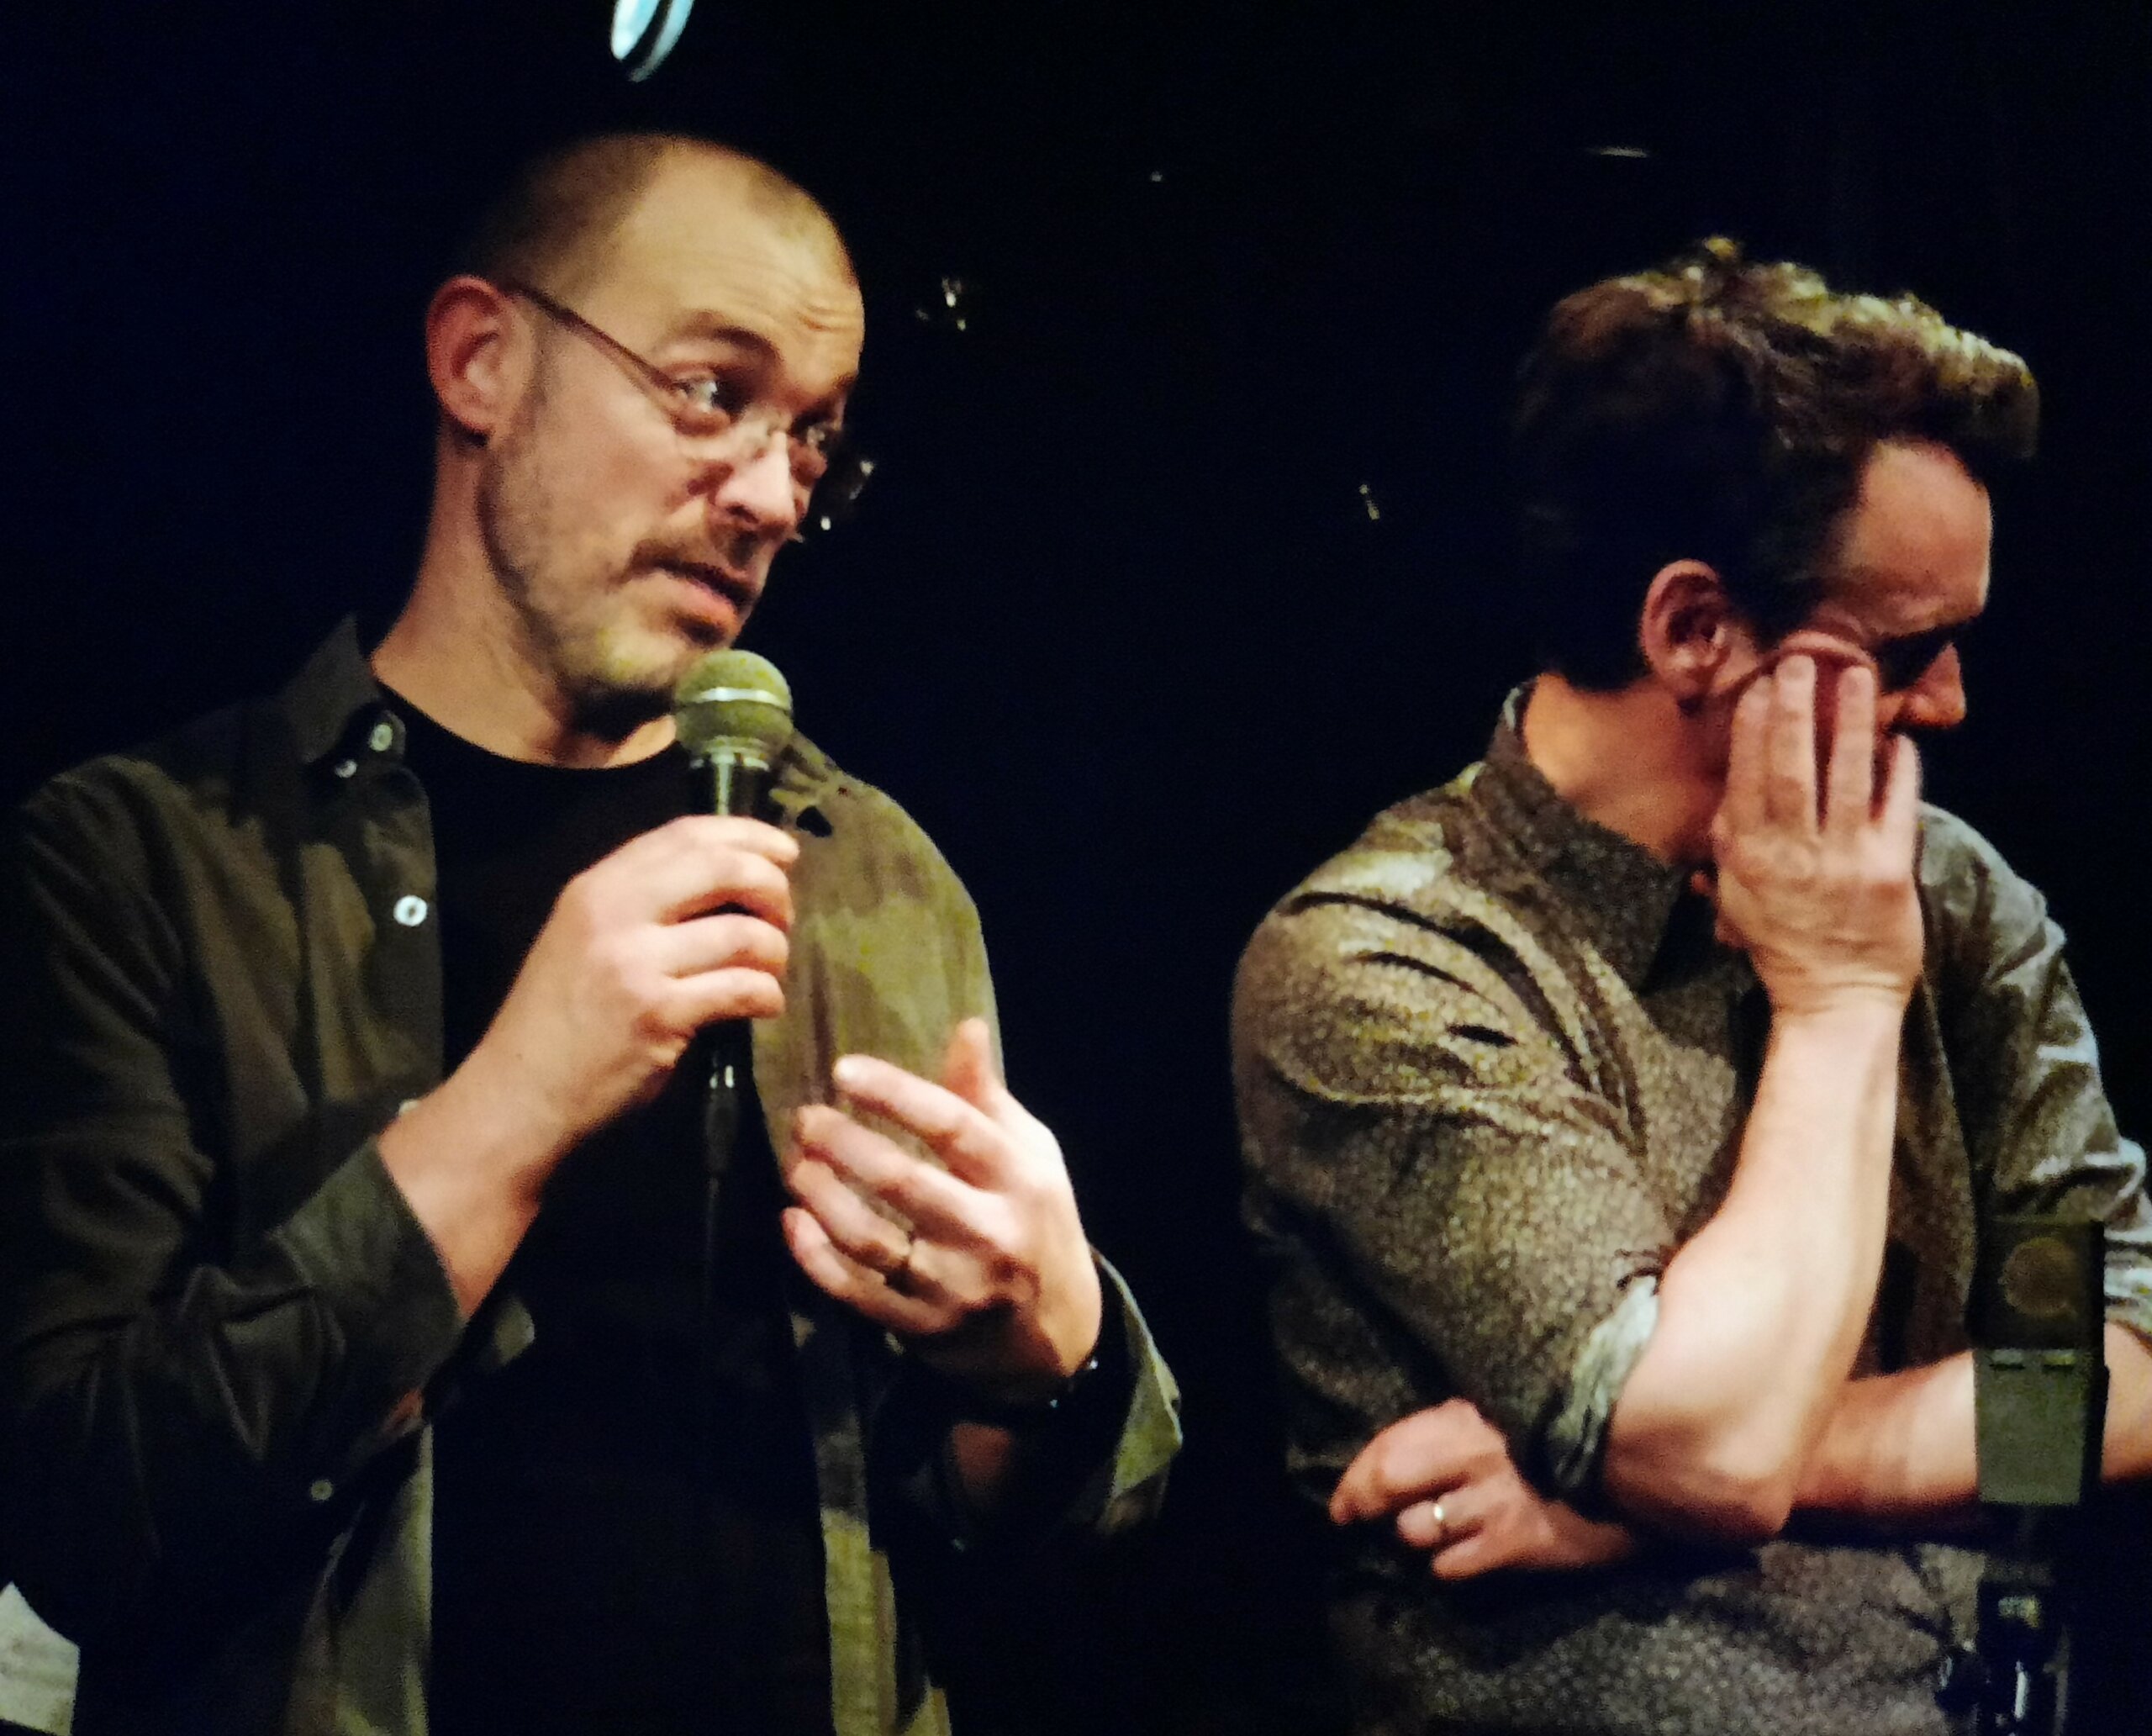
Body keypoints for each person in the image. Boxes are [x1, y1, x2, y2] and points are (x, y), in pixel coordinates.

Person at [0, 132, 1179, 1736]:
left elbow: (1007, 1545)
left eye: (814, 441)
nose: (768, 496)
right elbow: (82, 1517)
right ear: (481, 360)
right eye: (710, 391)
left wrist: (1047, 1360)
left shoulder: (873, 874)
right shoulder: (147, 858)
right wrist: (511, 1107)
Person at [1232, 239, 2152, 1734]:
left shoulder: (1959, 900)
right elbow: (1718, 1445)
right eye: (1907, 649)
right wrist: (1841, 995)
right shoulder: (1390, 961)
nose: (1952, 703)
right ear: (1693, 630)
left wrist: (1655, 1494)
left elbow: (2111, 1380)